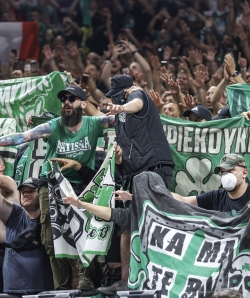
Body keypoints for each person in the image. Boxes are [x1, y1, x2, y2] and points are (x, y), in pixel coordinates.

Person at [0, 84, 116, 290]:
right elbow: (21, 137)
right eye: (63, 99)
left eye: (71, 99)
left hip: (82, 185)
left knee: (84, 233)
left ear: (83, 104)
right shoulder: (53, 126)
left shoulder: (95, 123)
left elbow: (128, 119)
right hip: (51, 185)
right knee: (50, 238)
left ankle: (86, 278)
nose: (66, 102)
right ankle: (61, 285)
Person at [102, 75, 174, 294]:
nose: (111, 101)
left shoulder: (136, 95)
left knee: (155, 224)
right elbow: (127, 150)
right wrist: (120, 158)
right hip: (134, 173)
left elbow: (137, 103)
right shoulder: (120, 122)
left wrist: (120, 106)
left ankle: (163, 278)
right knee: (126, 229)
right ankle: (126, 280)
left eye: (114, 96)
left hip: (154, 167)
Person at [0, 162, 54, 294]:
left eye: (30, 191)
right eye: (23, 192)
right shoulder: (16, 214)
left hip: (45, 287)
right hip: (14, 288)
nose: (26, 194)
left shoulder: (51, 218)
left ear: (41, 194)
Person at [171, 154, 250, 216]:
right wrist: (158, 191)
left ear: (244, 173)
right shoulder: (216, 197)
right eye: (223, 172)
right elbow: (184, 201)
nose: (226, 176)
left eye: (230, 171)